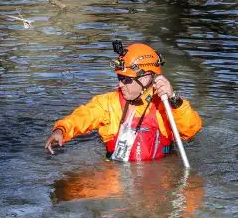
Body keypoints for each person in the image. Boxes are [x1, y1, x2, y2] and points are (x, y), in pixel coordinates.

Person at [45, 42, 202, 162]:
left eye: (126, 80)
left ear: (146, 77)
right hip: (116, 177)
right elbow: (82, 116)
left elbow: (190, 130)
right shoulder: (108, 103)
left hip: (159, 179)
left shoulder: (165, 105)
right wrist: (61, 130)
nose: (120, 84)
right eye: (120, 78)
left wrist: (174, 99)